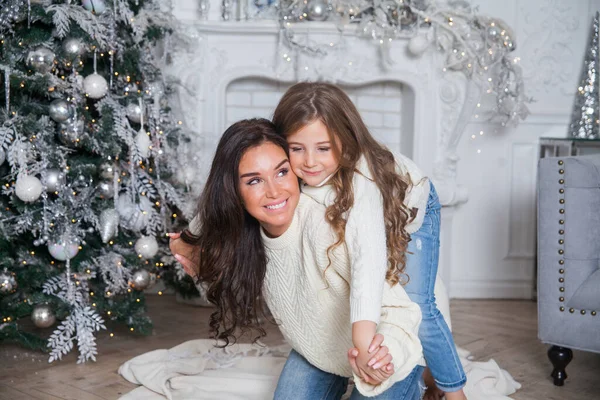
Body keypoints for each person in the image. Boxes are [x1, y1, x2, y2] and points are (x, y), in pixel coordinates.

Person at [172, 118, 425, 399]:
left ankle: (422, 378)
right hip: (316, 352)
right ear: (234, 191)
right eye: (254, 180)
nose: (274, 191)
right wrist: (187, 244)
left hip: (383, 350)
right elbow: (209, 215)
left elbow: (400, 310)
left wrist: (385, 355)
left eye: (281, 172)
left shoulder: (327, 230)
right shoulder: (242, 236)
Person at [270, 82, 467, 400]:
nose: (309, 162)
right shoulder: (289, 176)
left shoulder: (363, 177)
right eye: (296, 148)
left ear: (346, 142)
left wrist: (363, 341)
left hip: (414, 210)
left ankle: (452, 388)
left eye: (324, 148)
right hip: (365, 221)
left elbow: (367, 257)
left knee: (417, 300)